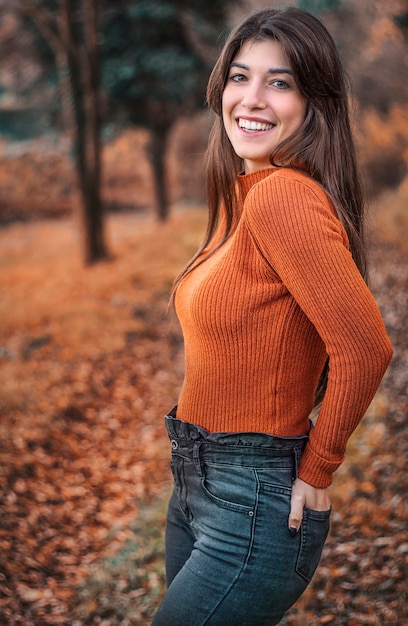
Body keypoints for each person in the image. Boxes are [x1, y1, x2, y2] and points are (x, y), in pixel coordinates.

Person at [152, 7, 393, 625]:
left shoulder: (285, 196)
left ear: (315, 102)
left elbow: (366, 348)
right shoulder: (248, 194)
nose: (251, 98)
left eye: (279, 82)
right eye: (240, 76)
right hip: (197, 483)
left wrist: (320, 466)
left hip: (252, 501)